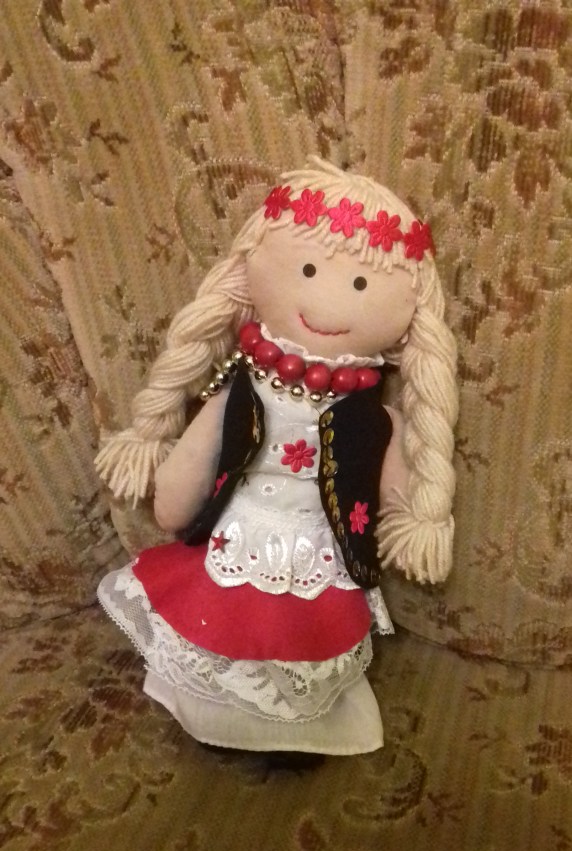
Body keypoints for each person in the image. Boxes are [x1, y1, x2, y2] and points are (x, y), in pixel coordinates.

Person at [96, 157, 458, 756]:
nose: (327, 300)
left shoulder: (376, 418)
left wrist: (416, 516)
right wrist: (173, 502)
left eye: (361, 285)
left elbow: (392, 497)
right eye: (307, 269)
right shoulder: (242, 386)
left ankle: (298, 734)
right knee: (216, 625)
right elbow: (190, 471)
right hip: (234, 542)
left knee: (309, 642)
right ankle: (215, 717)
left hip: (321, 555)